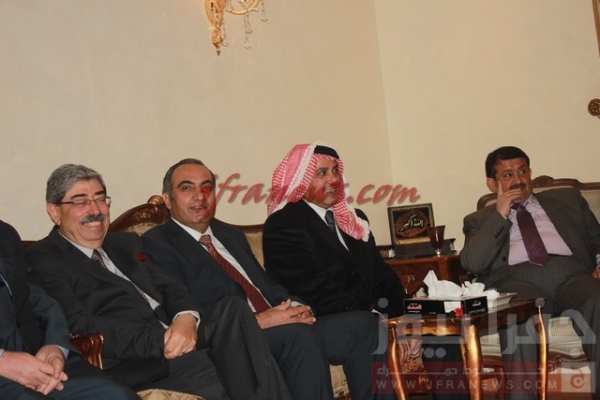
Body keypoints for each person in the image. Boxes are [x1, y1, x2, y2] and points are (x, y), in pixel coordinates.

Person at [27, 164, 292, 400]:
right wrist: (161, 340)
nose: (95, 210)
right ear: (55, 211)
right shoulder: (43, 259)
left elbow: (168, 285)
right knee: (239, 366)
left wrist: (185, 317)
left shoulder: (125, 243)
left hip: (181, 335)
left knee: (233, 308)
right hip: (139, 359)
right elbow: (78, 324)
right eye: (80, 202)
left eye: (100, 199)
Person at [142, 158, 383, 400]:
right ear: (167, 199)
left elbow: (267, 285)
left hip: (280, 324)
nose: (200, 196)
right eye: (187, 188)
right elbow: (182, 309)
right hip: (236, 342)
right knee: (299, 336)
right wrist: (261, 320)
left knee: (364, 326)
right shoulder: (156, 244)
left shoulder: (231, 235)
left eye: (207, 187)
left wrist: (296, 307)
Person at [263, 142, 468, 400]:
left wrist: (405, 318)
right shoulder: (284, 224)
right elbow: (316, 290)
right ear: (301, 180)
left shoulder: (354, 218)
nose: (333, 179)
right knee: (370, 327)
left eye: (336, 171)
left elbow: (382, 276)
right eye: (322, 173)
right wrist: (382, 320)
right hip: (323, 322)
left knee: (436, 322)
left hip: (368, 315)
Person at [461, 145, 600, 400]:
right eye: (508, 175)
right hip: (518, 284)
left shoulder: (568, 200)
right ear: (492, 184)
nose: (518, 179)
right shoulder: (479, 219)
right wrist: (501, 214)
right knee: (517, 316)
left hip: (573, 277)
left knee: (598, 300)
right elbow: (472, 263)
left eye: (522, 171)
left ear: (530, 172)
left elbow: (597, 240)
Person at [0, 220, 138, 400]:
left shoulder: (6, 234)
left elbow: (41, 300)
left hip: (40, 361)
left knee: (119, 396)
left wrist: (55, 345)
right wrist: (3, 362)